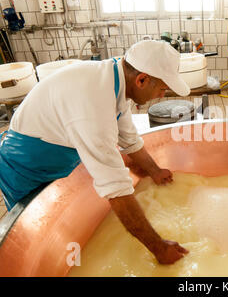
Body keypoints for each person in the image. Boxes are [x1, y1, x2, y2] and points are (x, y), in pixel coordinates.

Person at [0, 40, 190, 264]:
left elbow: (129, 139)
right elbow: (115, 187)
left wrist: (155, 171)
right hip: (25, 167)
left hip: (53, 159)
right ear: (142, 79)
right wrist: (158, 248)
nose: (161, 95)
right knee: (36, 240)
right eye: (162, 88)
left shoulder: (114, 83)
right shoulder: (93, 103)